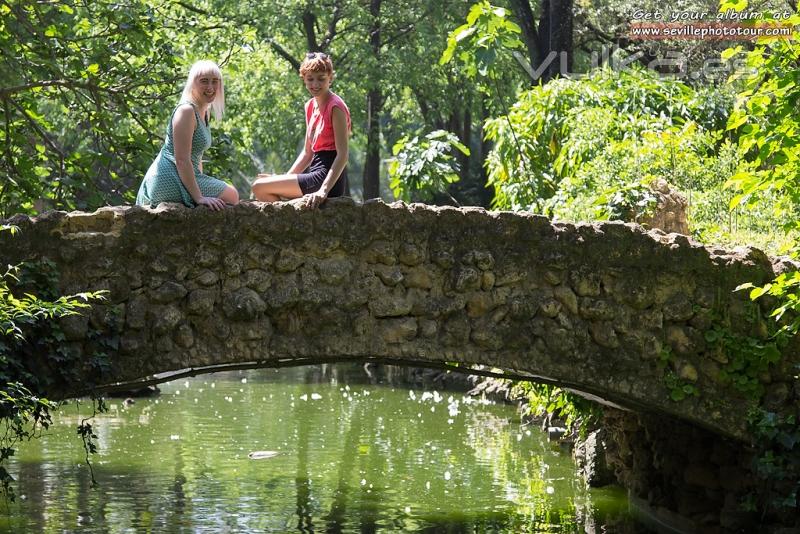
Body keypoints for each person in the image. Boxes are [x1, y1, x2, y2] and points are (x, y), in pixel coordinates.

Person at [251, 52, 351, 209]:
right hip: (313, 174)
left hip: (328, 179)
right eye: (310, 79)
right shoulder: (310, 106)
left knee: (259, 187)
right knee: (262, 188)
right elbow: (307, 153)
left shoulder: (335, 106)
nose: (315, 84)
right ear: (304, 79)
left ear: (330, 78)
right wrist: (285, 178)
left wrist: (323, 190)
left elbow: (343, 154)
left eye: (321, 78)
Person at [136, 60, 239, 210]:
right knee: (232, 195)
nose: (210, 87)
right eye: (204, 81)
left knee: (231, 194)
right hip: (167, 178)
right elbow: (182, 159)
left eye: (215, 81)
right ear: (192, 83)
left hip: (180, 175)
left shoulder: (203, 111)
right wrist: (199, 197)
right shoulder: (186, 111)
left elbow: (196, 157)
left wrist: (201, 185)